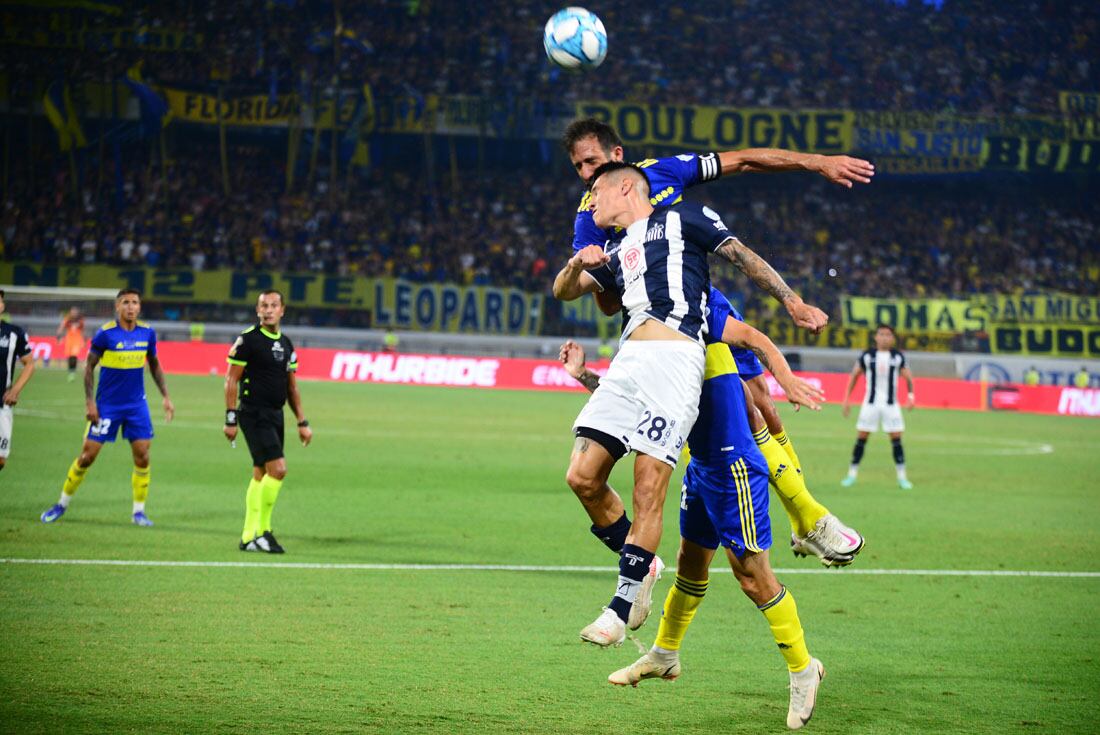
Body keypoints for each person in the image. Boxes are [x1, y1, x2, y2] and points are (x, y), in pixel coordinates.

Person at [562, 117, 869, 564]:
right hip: (657, 328)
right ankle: (810, 517)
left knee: (762, 400)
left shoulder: (662, 172)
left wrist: (816, 162)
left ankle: (806, 522)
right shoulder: (590, 217)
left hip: (704, 301)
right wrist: (611, 266)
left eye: (591, 162)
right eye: (577, 167)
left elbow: (743, 161)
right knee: (739, 405)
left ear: (616, 155)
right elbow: (607, 304)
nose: (586, 175)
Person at [552, 161, 828, 646]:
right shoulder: (616, 252)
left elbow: (743, 256)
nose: (589, 201)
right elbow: (563, 291)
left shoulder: (683, 218)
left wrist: (792, 301)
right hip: (629, 359)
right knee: (582, 475)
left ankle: (621, 604)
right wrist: (577, 263)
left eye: (596, 190)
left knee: (648, 484)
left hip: (676, 359)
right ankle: (643, 568)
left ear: (625, 187)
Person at [560, 286, 827, 730]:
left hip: (732, 467)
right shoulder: (656, 327)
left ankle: (803, 669)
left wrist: (786, 379)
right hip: (699, 466)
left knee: (752, 577)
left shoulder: (701, 312)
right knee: (690, 566)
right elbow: (636, 398)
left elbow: (756, 342)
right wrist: (586, 376)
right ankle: (664, 655)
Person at [40, 290, 174, 525]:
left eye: (134, 303)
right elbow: (89, 366)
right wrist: (90, 402)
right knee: (87, 456)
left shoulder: (147, 333)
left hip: (136, 406)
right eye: (126, 303)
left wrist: (166, 396)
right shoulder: (106, 334)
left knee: (143, 456)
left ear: (139, 307)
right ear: (117, 307)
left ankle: (138, 512)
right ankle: (61, 504)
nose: (131, 307)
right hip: (107, 407)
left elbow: (154, 364)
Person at [224, 290, 312, 554]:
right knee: (279, 470)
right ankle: (264, 532)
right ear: (257, 309)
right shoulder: (248, 340)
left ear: (282, 310)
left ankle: (248, 536)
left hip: (275, 415)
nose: (268, 310)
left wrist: (302, 421)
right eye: (264, 305)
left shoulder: (286, 344)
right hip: (253, 413)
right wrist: (230, 418)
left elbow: (292, 388)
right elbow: (231, 379)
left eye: (274, 305)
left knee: (261, 473)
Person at [840, 325, 915, 490]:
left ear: (892, 338)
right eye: (881, 334)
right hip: (870, 404)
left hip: (891, 405)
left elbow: (908, 377)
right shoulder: (867, 356)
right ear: (876, 337)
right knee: (861, 438)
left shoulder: (898, 356)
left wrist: (911, 396)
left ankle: (902, 478)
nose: (884, 337)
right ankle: (851, 475)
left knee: (896, 439)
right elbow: (855, 375)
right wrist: (847, 399)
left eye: (888, 335)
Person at [0, 290, 37, 471]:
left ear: (2, 305)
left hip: (3, 402)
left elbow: (29, 364)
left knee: (1, 459)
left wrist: (15, 390)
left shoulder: (14, 333)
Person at [57, 306, 86, 382]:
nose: (74, 313)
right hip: (69, 340)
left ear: (77, 313)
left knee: (74, 356)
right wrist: (59, 337)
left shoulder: (80, 320)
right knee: (69, 357)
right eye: (72, 312)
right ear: (70, 312)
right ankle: (70, 372)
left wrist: (83, 340)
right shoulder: (67, 319)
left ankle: (72, 373)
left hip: (77, 340)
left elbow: (82, 330)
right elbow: (61, 327)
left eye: (75, 312)